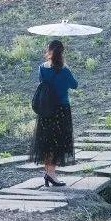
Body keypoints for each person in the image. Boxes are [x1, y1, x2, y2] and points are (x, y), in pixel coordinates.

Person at [29, 39, 77, 187]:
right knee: (57, 142)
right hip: (61, 110)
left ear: (49, 50)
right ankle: (51, 174)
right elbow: (74, 85)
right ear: (62, 52)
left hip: (46, 110)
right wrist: (66, 68)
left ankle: (48, 173)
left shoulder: (42, 68)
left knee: (47, 141)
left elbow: (43, 82)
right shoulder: (64, 70)